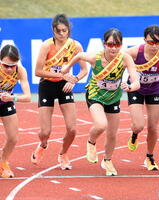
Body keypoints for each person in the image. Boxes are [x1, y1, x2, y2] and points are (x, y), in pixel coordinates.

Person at [61, 28, 140, 176]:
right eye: (110, 44)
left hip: (114, 98)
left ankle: (107, 160)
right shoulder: (95, 58)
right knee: (101, 124)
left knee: (112, 133)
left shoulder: (125, 58)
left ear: (121, 45)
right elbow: (78, 55)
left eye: (117, 45)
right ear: (104, 44)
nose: (113, 48)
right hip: (95, 95)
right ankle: (91, 142)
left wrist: (130, 87)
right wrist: (66, 69)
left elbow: (136, 81)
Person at [31, 14, 87, 170]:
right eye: (58, 31)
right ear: (53, 31)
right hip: (47, 86)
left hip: (65, 86)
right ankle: (42, 145)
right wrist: (61, 74)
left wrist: (73, 79)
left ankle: (63, 154)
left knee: (72, 128)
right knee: (45, 132)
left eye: (65, 31)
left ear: (69, 29)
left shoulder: (76, 46)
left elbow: (84, 70)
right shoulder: (46, 46)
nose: (62, 34)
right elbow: (38, 71)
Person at [126, 25, 159, 170]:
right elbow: (117, 62)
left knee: (153, 127)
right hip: (136, 89)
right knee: (138, 125)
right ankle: (134, 134)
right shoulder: (135, 52)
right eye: (150, 42)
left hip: (155, 90)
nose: (154, 46)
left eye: (157, 42)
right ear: (144, 40)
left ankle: (150, 157)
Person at [0, 44, 31, 178]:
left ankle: (3, 163)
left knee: (13, 138)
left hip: (6, 102)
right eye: (5, 65)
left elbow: (28, 97)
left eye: (12, 65)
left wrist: (13, 97)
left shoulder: (20, 71)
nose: (9, 69)